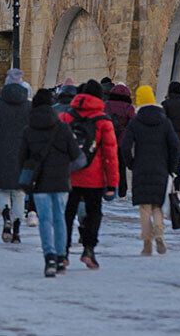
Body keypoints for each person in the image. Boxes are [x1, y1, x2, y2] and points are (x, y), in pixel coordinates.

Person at [21, 89, 80, 277]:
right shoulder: (63, 128)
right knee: (59, 217)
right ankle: (62, 256)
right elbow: (75, 155)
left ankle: (50, 257)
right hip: (61, 179)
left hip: (40, 182)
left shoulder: (28, 130)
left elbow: (22, 158)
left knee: (44, 219)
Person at [61, 79, 119, 269]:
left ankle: (63, 252)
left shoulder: (66, 117)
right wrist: (112, 184)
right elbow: (110, 155)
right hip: (94, 178)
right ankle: (88, 250)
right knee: (94, 214)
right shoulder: (103, 120)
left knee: (67, 214)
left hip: (69, 174)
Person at [120, 85, 180, 256]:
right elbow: (175, 145)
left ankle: (147, 244)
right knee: (157, 206)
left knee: (144, 207)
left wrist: (131, 163)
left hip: (141, 168)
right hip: (161, 168)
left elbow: (125, 146)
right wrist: (171, 166)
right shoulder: (164, 121)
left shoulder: (135, 122)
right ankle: (159, 234)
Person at [0, 70, 31, 241]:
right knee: (19, 193)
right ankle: (16, 230)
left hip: (0, 153)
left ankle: (6, 218)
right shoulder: (29, 107)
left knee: (2, 190)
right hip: (23, 155)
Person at [105, 83, 135, 198]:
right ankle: (122, 190)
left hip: (108, 139)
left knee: (107, 164)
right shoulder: (129, 107)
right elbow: (134, 122)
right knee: (121, 166)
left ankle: (109, 189)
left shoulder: (107, 105)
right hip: (122, 141)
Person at [162, 82, 180, 191]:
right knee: (177, 162)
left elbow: (163, 120)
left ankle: (167, 186)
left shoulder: (166, 104)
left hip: (168, 137)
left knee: (167, 161)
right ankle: (177, 187)